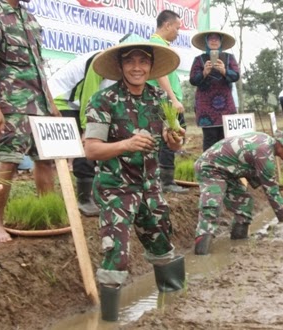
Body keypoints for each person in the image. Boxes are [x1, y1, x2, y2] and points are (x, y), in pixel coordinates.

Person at [84, 41, 186, 321]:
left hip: (150, 188)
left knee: (163, 247)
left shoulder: (161, 100)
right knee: (116, 254)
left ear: (151, 66)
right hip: (116, 188)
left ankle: (172, 311)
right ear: (120, 66)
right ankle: (109, 321)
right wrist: (126, 144)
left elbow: (176, 144)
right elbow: (91, 149)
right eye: (130, 61)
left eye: (143, 61)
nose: (137, 67)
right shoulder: (103, 101)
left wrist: (174, 140)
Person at [48, 33, 142, 217]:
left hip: (79, 103)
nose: (134, 65)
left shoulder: (124, 73)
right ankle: (84, 199)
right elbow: (89, 96)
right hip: (62, 100)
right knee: (87, 143)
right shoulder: (99, 63)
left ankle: (103, 187)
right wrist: (86, 128)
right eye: (129, 59)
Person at [0, 0, 61, 243]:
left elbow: (39, 66)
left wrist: (51, 102)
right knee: (9, 160)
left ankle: (48, 214)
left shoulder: (29, 18)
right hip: (12, 103)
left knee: (45, 161)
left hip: (39, 104)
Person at [194, 124, 283, 255]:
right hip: (210, 167)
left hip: (229, 171)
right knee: (212, 206)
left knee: (244, 203)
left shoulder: (267, 143)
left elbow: (252, 169)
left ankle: (238, 242)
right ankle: (201, 254)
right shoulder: (264, 154)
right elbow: (272, 195)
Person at [147, 9, 188, 194]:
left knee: (171, 137)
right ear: (167, 25)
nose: (178, 32)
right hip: (164, 101)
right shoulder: (157, 44)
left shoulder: (161, 44)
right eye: (177, 28)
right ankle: (166, 182)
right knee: (168, 138)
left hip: (167, 99)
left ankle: (164, 181)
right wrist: (172, 99)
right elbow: (159, 73)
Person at [189, 30, 240, 151]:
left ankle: (225, 168)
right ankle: (208, 167)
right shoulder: (199, 59)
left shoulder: (229, 58)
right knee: (210, 139)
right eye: (210, 38)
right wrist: (204, 73)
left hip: (226, 107)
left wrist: (224, 71)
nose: (213, 40)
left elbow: (236, 76)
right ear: (206, 41)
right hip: (206, 108)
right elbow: (193, 80)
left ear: (220, 41)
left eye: (216, 38)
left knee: (226, 140)